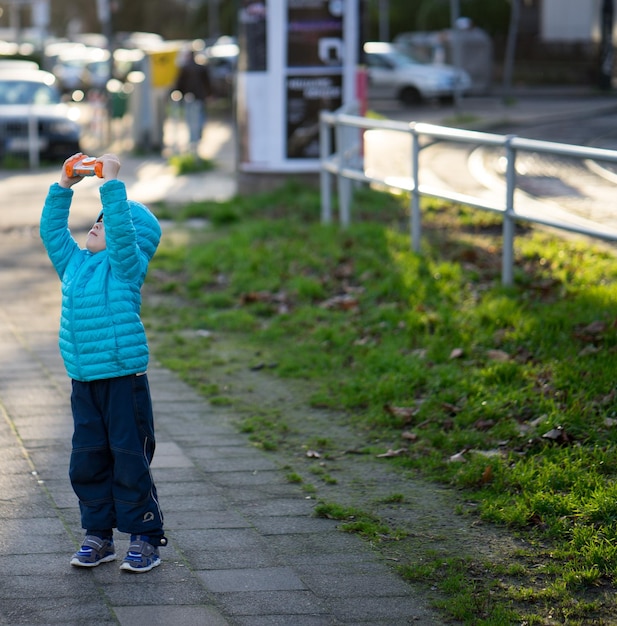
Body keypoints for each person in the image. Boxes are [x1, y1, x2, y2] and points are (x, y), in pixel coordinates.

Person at [39, 153, 166, 573]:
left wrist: (111, 187)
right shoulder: (75, 265)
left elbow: (124, 238)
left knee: (129, 458)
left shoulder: (126, 269)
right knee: (88, 461)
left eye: (106, 222)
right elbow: (52, 231)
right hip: (84, 381)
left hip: (122, 380)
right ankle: (98, 535)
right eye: (97, 218)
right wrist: (64, 185)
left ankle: (145, 537)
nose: (97, 223)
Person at [174, 48, 212, 150]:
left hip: (189, 96)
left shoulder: (185, 68)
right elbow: (208, 83)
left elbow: (179, 84)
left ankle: (193, 138)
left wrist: (178, 94)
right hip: (200, 96)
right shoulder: (201, 67)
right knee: (200, 116)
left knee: (190, 118)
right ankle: (197, 134)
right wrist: (209, 94)